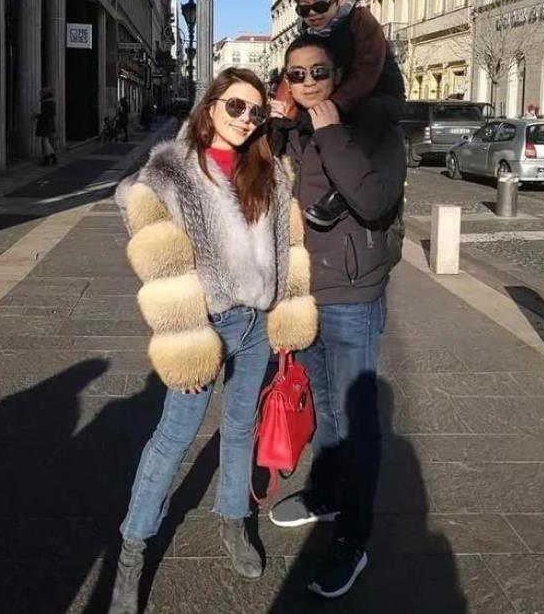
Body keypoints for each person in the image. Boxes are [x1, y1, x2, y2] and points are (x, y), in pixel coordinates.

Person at [109, 68, 318, 614]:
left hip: (256, 324)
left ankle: (233, 520)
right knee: (172, 438)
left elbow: (290, 246)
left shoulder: (270, 170)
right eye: (235, 106)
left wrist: (287, 317)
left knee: (241, 427)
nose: (245, 119)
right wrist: (184, 337)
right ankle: (132, 551)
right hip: (201, 326)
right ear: (210, 105)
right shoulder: (169, 171)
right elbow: (160, 264)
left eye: (255, 111)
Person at [269, 36, 407, 599]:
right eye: (295, 74)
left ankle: (353, 537)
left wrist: (330, 131)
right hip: (306, 293)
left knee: (356, 423)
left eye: (318, 71)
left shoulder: (375, 127)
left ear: (340, 73)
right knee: (323, 407)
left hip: (353, 294)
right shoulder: (294, 130)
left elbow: (373, 201)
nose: (306, 83)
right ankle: (327, 494)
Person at [282, 0, 406, 229]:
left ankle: (338, 197)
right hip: (341, 97)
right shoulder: (310, 31)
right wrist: (282, 109)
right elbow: (293, 69)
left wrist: (334, 105)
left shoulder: (362, 21)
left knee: (368, 123)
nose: (311, 14)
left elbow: (367, 70)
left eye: (319, 6)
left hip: (381, 95)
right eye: (303, 8)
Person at [35, 88, 57, 166]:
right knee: (46, 141)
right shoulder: (50, 102)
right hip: (48, 123)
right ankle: (53, 157)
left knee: (45, 141)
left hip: (46, 124)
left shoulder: (47, 103)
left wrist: (38, 115)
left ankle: (47, 159)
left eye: (41, 93)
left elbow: (46, 114)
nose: (40, 94)